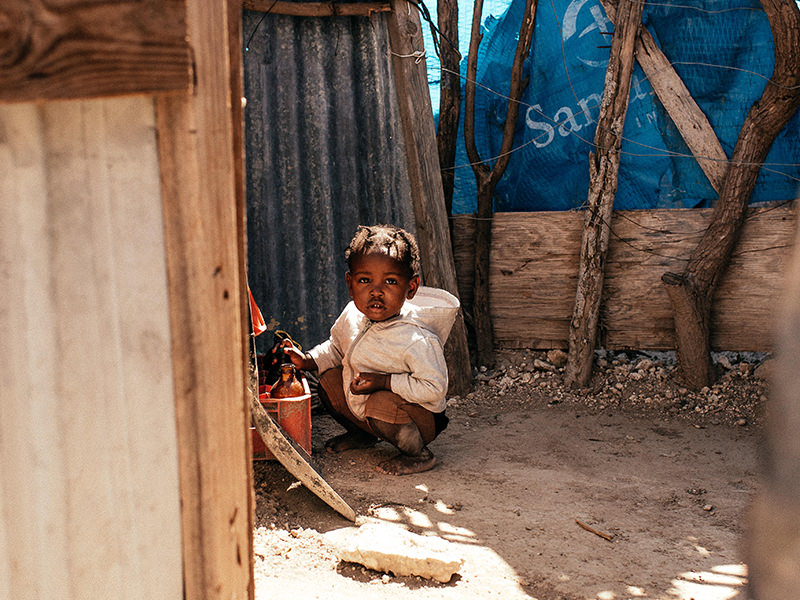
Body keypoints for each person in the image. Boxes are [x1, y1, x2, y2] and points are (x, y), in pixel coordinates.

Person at [282, 224, 459, 475]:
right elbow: (336, 348)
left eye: (390, 281)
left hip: (418, 419)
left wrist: (384, 382)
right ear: (350, 283)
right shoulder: (352, 315)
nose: (376, 291)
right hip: (367, 408)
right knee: (329, 382)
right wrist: (308, 359)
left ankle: (419, 454)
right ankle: (363, 435)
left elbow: (434, 388)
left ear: (411, 287)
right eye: (365, 280)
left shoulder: (416, 339)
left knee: (380, 403)